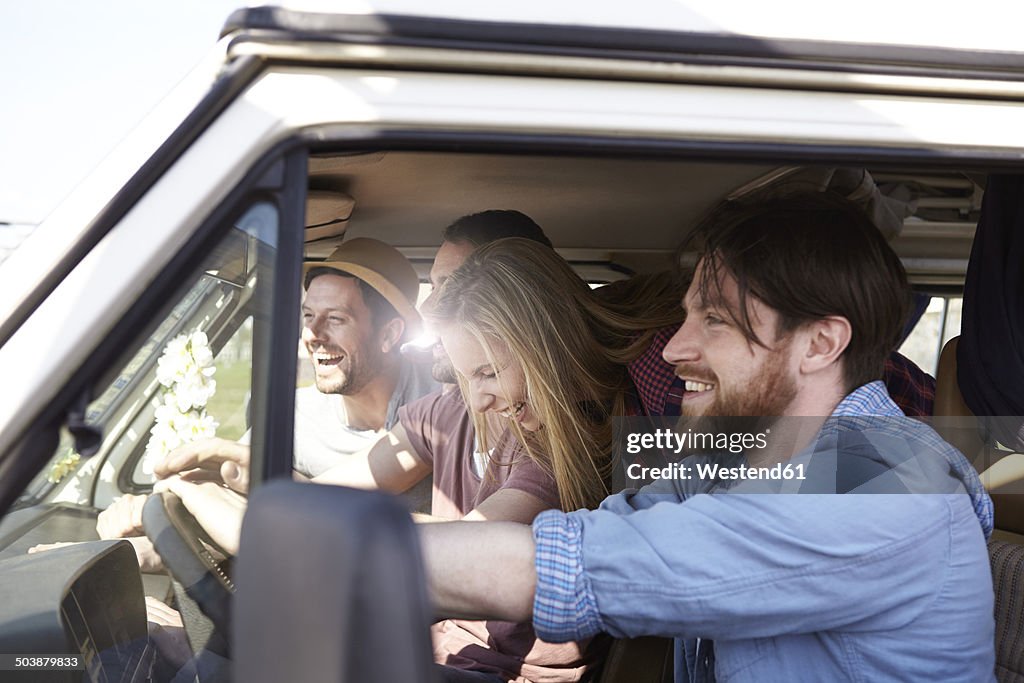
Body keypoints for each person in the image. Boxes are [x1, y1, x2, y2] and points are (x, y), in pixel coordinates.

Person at [412, 194, 995, 681]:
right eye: (689, 316)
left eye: (713, 320)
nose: (672, 348)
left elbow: (573, 567)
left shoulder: (884, 483)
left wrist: (351, 552)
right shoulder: (736, 462)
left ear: (819, 345)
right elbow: (602, 530)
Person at [158, 235, 684, 682]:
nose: (476, 398)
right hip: (446, 650)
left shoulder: (559, 445)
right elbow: (341, 488)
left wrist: (265, 527)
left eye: (486, 373)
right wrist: (238, 477)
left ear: (539, 349)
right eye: (464, 374)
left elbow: (468, 551)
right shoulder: (464, 411)